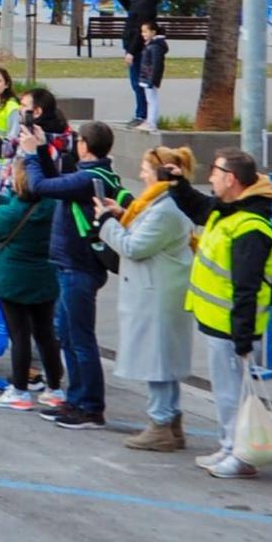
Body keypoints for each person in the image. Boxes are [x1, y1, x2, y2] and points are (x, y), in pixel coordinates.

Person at [164, 150, 272, 478]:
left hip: (234, 329)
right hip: (219, 323)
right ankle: (229, 445)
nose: (212, 177)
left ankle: (241, 455)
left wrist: (243, 336)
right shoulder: (229, 211)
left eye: (215, 172)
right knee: (226, 393)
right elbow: (200, 207)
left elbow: (246, 288)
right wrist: (178, 185)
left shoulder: (249, 227)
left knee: (234, 395)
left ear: (231, 179)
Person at [20, 118, 124, 429]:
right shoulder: (89, 176)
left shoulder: (89, 178)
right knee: (67, 334)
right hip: (71, 266)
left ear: (84, 146)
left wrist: (28, 155)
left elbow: (41, 186)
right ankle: (76, 399)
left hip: (79, 268)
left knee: (80, 339)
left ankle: (90, 406)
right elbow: (56, 183)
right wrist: (40, 150)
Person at [96, 146, 199, 451]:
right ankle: (170, 421)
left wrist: (105, 222)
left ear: (159, 173)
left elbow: (134, 246)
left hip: (158, 296)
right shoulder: (160, 203)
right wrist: (119, 213)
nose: (140, 174)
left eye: (144, 168)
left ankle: (161, 423)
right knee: (163, 361)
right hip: (158, 292)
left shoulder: (166, 209)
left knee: (157, 362)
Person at [0, 162, 62, 409]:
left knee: (19, 336)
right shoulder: (52, 206)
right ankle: (55, 388)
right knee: (45, 334)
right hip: (45, 278)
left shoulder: (13, 213)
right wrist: (0, 199)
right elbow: (22, 208)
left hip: (13, 280)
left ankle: (19, 390)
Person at [115, 0, 160, 127]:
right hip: (133, 46)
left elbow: (139, 31)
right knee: (137, 83)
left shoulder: (147, 5)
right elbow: (131, 8)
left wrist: (131, 52)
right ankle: (142, 114)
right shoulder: (140, 1)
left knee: (139, 83)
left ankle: (142, 115)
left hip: (138, 50)